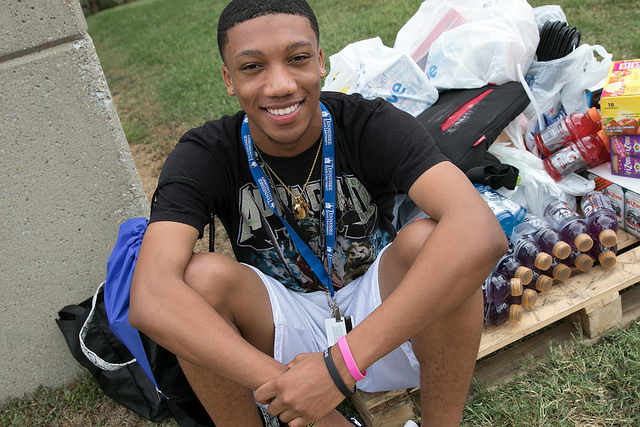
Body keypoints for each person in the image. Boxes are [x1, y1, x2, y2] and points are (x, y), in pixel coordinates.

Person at [129, 1, 509, 426]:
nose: (280, 85)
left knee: (433, 241)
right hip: (282, 327)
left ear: (321, 61)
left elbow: (481, 231)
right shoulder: (207, 152)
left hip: (382, 311)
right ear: (228, 79)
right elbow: (150, 297)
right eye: (252, 67)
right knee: (197, 281)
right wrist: (297, 391)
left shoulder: (367, 123)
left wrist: (338, 367)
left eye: (297, 59)